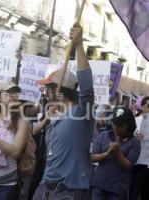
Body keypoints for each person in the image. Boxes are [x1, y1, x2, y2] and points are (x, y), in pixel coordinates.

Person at [33, 23, 94, 200]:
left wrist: (80, 45)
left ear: (57, 90)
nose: (45, 92)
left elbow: (87, 90)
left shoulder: (82, 113)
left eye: (48, 88)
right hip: (45, 189)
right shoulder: (52, 116)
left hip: (68, 192)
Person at [91, 107, 141, 200]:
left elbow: (129, 166)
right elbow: (92, 157)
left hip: (117, 189)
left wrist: (118, 153)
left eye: (120, 125)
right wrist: (106, 153)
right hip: (99, 185)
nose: (115, 127)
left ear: (128, 125)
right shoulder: (103, 135)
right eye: (114, 123)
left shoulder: (134, 142)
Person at [130, 96, 149, 200]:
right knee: (134, 190)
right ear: (142, 106)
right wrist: (134, 137)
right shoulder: (136, 121)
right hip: (137, 162)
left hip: (148, 163)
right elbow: (126, 138)